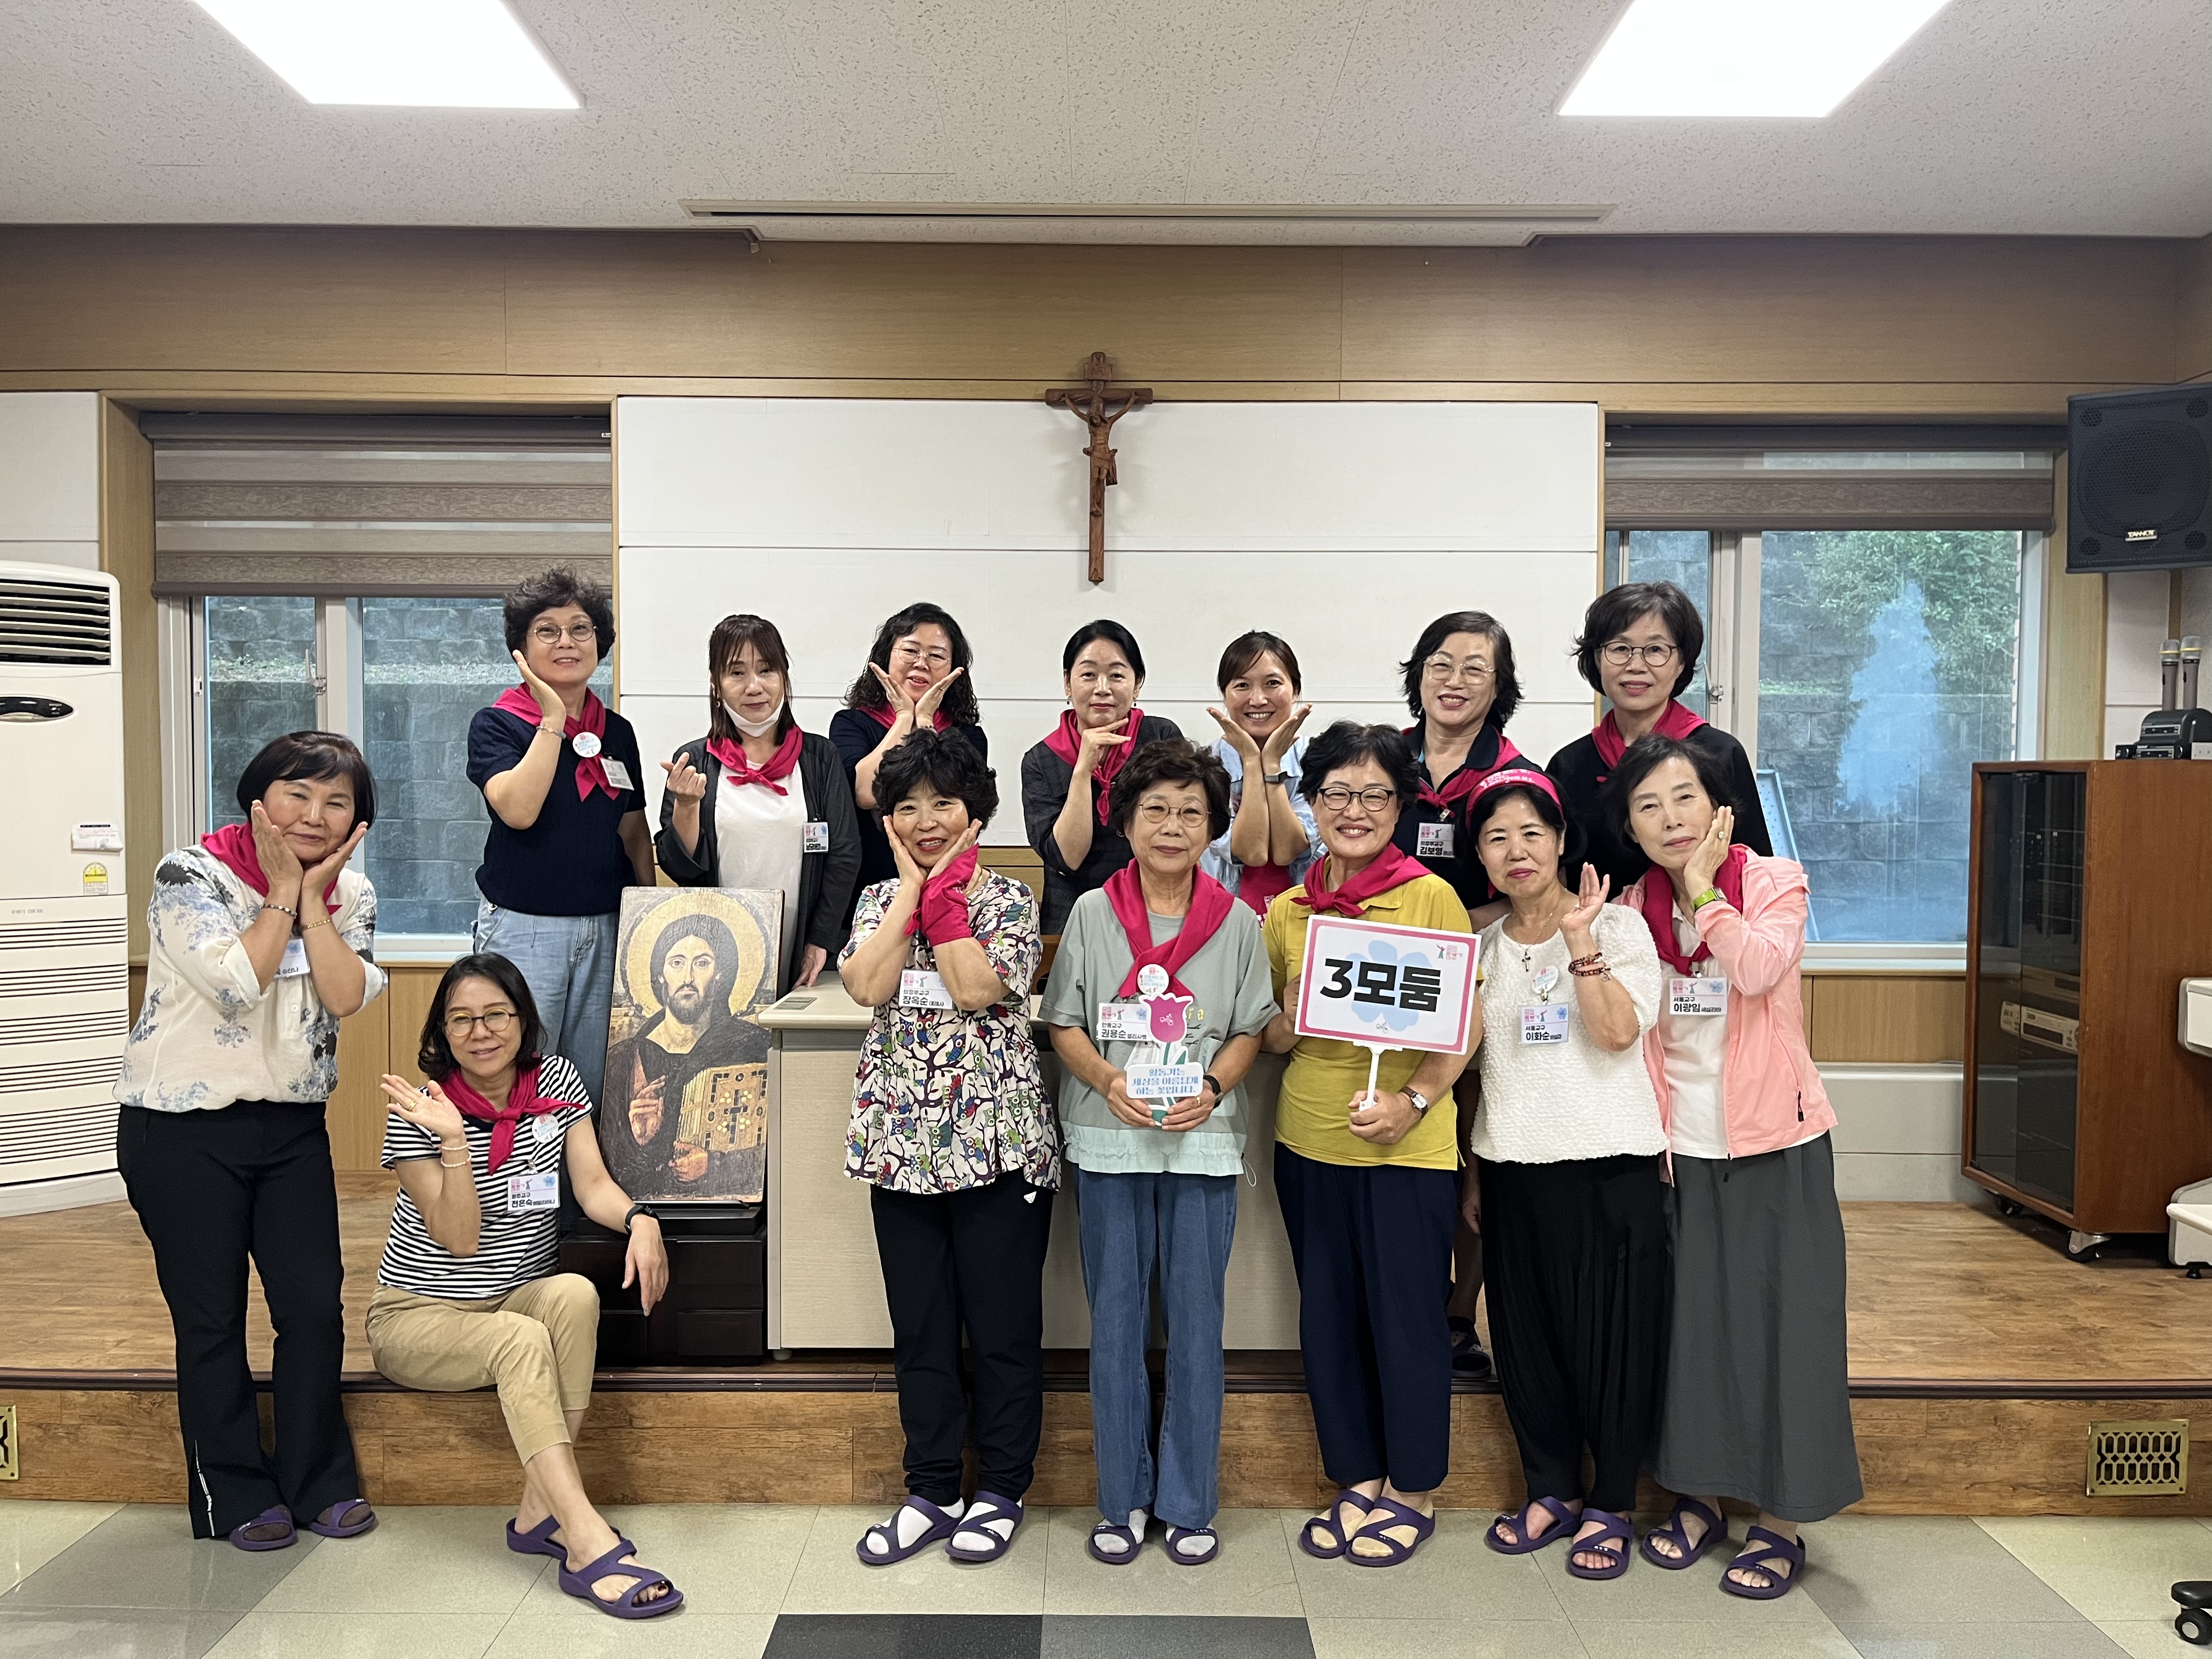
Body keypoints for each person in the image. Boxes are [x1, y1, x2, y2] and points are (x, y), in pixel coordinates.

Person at [113, 732, 383, 1550]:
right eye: (298, 794)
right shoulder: (189, 875)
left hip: (292, 1127)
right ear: (259, 801)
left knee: (314, 1307)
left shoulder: (352, 892)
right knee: (211, 1318)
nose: (315, 815)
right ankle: (230, 1493)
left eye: (337, 802)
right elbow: (237, 983)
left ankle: (317, 1480)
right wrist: (282, 890)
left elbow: (344, 995)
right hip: (180, 1128)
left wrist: (312, 899)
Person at [1610, 734, 1861, 1599]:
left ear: (1721, 808)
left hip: (1775, 1144)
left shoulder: (1774, 881)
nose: (1670, 819)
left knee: (1788, 1332)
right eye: (1648, 806)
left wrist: (1702, 891)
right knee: (1695, 1333)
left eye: (1684, 798)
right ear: (1630, 828)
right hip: (1679, 1148)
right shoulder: (1630, 908)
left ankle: (1781, 1520)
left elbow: (1754, 968)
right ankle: (1699, 1498)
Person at [368, 954, 684, 1620]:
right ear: (442, 1031)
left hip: (510, 1297)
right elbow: (460, 1238)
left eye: (496, 1015)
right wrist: (454, 1140)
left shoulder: (557, 1082)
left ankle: (540, 1512)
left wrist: (641, 1219)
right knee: (518, 1338)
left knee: (574, 1295)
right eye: (461, 1020)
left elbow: (591, 1186)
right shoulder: (421, 1111)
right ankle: (585, 1537)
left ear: (523, 1019)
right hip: (417, 1316)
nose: (480, 1032)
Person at [1043, 740, 1278, 1567]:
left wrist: (1213, 1087)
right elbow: (1064, 1022)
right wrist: (1108, 1081)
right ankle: (1121, 1499)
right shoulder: (1092, 913)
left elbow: (1250, 1028)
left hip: (1200, 1142)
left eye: (1190, 813)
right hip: (1111, 1138)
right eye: (1156, 811)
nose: (1173, 827)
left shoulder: (1237, 920)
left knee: (1198, 1327)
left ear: (1212, 827)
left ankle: (1188, 1500)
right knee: (1114, 1326)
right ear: (1127, 821)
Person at [839, 729, 1060, 1567]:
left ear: (976, 813)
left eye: (943, 803)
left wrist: (942, 900)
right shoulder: (875, 900)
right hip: (902, 1145)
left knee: (1003, 1330)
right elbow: (867, 984)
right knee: (922, 1330)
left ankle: (1001, 1487)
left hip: (997, 1143)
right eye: (907, 807)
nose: (926, 820)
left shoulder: (1008, 899)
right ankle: (932, 1490)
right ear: (889, 821)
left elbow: (973, 987)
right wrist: (909, 892)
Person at [1259, 721, 1475, 1568]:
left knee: (1408, 1319)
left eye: (1376, 794)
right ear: (1312, 803)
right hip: (1309, 1141)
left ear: (1400, 806)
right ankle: (1355, 1475)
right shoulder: (1289, 910)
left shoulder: (1430, 897)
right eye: (1338, 793)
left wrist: (1411, 1103)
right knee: (1330, 1318)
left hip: (1405, 1150)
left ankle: (1414, 1487)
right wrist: (1285, 1012)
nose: (1355, 810)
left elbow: (1462, 1030)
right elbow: (1272, 1039)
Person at [1464, 768, 1668, 1582]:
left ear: (1559, 840)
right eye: (1496, 837)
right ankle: (1550, 1488)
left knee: (1613, 1344)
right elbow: (1478, 1071)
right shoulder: (1482, 950)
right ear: (1481, 856)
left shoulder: (1617, 926)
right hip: (1513, 1164)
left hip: (1610, 1165)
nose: (1515, 850)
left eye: (1530, 833)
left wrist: (1579, 941)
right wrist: (1475, 1176)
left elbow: (1618, 1034)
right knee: (1527, 1342)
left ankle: (1613, 1501)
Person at [468, 567, 651, 1103]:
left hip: (607, 927)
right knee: (520, 1079)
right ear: (521, 647)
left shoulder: (616, 732)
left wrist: (645, 920)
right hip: (524, 929)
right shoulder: (498, 724)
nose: (566, 642)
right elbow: (518, 811)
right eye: (547, 630)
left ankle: (579, 1166)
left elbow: (633, 832)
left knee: (593, 1085)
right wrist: (553, 718)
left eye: (580, 629)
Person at [656, 612, 861, 994]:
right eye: (737, 673)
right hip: (716, 956)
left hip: (804, 947)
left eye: (767, 670)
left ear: (783, 676)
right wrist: (686, 805)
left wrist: (821, 939)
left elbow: (844, 853)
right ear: (716, 684)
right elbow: (680, 868)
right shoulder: (695, 760)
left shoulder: (819, 757)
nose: (754, 686)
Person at [1546, 580, 1773, 890]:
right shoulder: (1568, 766)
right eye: (1620, 649)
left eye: (1655, 650)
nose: (1636, 665)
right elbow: (1557, 878)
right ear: (1597, 659)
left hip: (1707, 918)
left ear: (1681, 663)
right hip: (1598, 921)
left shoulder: (1720, 754)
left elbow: (1757, 874)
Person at [829, 601, 989, 929]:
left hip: (947, 885)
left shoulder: (969, 736)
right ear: (886, 656)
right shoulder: (852, 724)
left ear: (954, 669)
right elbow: (865, 793)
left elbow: (951, 801)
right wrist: (905, 717)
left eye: (936, 655)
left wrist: (926, 719)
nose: (921, 663)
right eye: (911, 651)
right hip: (869, 885)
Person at [1022, 619, 1184, 936]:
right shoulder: (1040, 760)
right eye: (1088, 675)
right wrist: (1083, 771)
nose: (1102, 688)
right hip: (1072, 916)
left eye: (1117, 675)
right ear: (1068, 683)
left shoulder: (1160, 737)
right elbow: (1068, 859)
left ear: (1137, 684)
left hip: (1154, 904)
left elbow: (1175, 828)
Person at [600, 911, 767, 1200]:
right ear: (661, 975)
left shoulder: (751, 1046)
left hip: (729, 1215)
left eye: (702, 963)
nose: (688, 978)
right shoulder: (623, 1061)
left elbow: (772, 1147)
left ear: (720, 975)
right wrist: (641, 1141)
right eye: (677, 963)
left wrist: (715, 1165)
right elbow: (615, 1175)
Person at [1395, 610, 1526, 917]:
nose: (1454, 681)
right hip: (1381, 938)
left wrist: (1454, 931)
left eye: (1474, 670)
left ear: (1499, 686)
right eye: (1441, 665)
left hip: (1481, 938)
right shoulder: (1383, 765)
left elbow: (1543, 889)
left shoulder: (1518, 781)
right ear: (1419, 675)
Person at [1200, 630, 1322, 916]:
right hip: (1220, 916)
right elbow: (1248, 852)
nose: (1257, 699)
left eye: (1272, 683)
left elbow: (1290, 850)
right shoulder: (1204, 765)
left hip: (1309, 915)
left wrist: (1271, 765)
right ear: (1225, 694)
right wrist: (1253, 762)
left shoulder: (1321, 759)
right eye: (1242, 685)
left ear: (1295, 690)